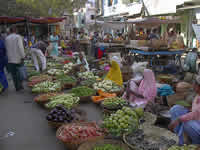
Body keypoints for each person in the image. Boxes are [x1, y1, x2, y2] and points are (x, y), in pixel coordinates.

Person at [168, 76, 200, 145]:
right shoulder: (197, 95)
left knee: (187, 123)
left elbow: (195, 114)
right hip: (196, 117)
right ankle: (177, 136)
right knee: (176, 109)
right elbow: (195, 110)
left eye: (195, 84)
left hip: (198, 122)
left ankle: (195, 144)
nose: (193, 85)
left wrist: (178, 120)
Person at [5, 26, 25, 91]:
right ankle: (20, 85)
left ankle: (17, 87)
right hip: (18, 58)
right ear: (15, 30)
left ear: (10, 31)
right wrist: (23, 56)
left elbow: (6, 49)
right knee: (20, 72)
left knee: (14, 74)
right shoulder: (18, 37)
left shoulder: (6, 38)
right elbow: (20, 47)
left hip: (10, 59)